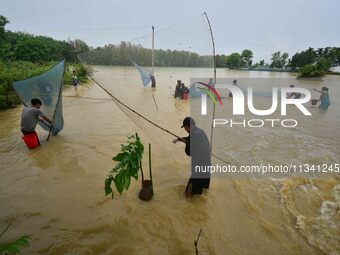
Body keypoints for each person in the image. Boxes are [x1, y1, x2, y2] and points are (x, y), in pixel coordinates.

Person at [172, 117, 211, 197]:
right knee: (202, 191)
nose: (185, 130)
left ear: (187, 127)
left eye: (185, 128)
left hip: (199, 169)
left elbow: (189, 152)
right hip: (207, 166)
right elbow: (190, 140)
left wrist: (187, 144)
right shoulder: (200, 132)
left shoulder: (193, 135)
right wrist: (180, 139)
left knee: (188, 193)